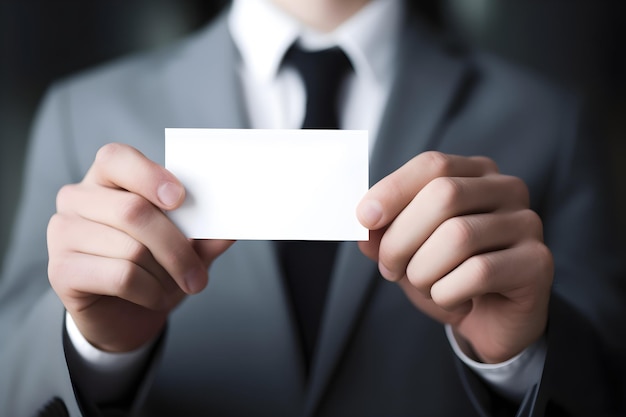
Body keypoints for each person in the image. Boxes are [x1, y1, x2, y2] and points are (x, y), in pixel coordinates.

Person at [0, 0, 624, 415]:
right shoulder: (82, 111)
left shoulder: (549, 119)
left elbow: (605, 376)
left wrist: (518, 358)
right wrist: (92, 349)